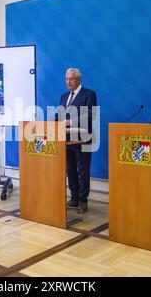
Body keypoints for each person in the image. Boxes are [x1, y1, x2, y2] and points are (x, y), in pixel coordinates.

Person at [57, 68, 97, 213]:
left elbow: (90, 115)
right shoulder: (63, 96)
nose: (68, 81)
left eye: (72, 79)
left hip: (82, 139)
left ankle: (83, 200)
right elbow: (59, 116)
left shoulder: (89, 94)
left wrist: (70, 122)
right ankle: (74, 198)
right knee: (70, 170)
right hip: (66, 140)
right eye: (67, 79)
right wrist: (51, 124)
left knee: (82, 171)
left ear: (79, 79)